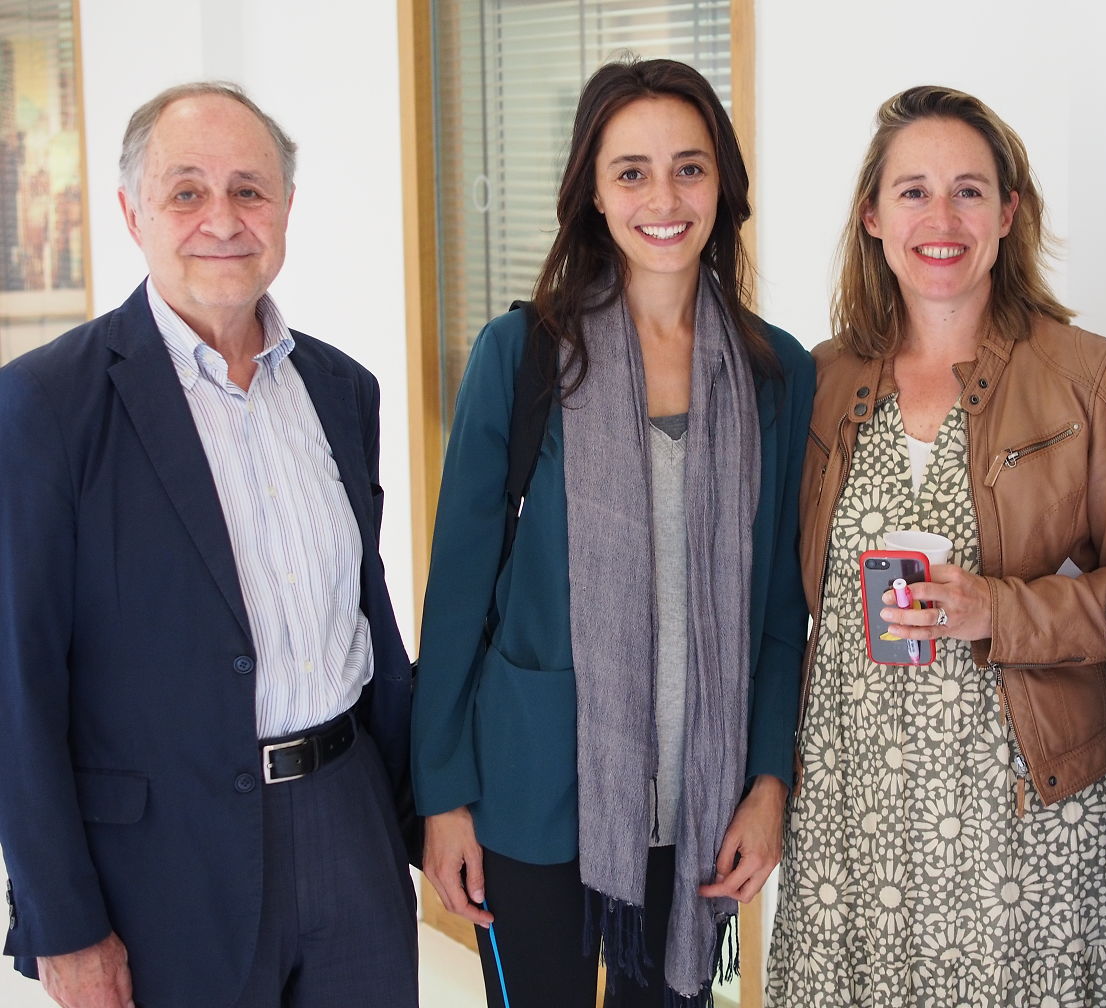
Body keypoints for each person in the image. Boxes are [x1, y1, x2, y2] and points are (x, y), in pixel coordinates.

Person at [0, 82, 418, 1007]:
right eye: (186, 191)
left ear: (286, 208)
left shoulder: (343, 390)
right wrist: (62, 921)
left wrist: (424, 811)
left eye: (249, 190)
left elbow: (365, 617)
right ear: (131, 213)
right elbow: (16, 684)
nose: (223, 220)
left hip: (350, 824)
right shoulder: (47, 405)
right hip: (165, 863)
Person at [412, 57, 813, 1007]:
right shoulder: (522, 354)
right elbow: (457, 594)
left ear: (722, 183)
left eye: (689, 168)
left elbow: (779, 612)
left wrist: (769, 782)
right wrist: (442, 796)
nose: (663, 199)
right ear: (594, 192)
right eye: (631, 172)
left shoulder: (777, 372)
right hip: (534, 789)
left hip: (700, 794)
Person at [767, 86, 1106, 1006]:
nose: (941, 220)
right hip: (855, 808)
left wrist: (998, 609)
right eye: (913, 191)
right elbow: (774, 600)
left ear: (1009, 212)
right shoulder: (817, 382)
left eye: (969, 192)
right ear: (872, 216)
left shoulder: (1091, 379)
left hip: (1029, 813)